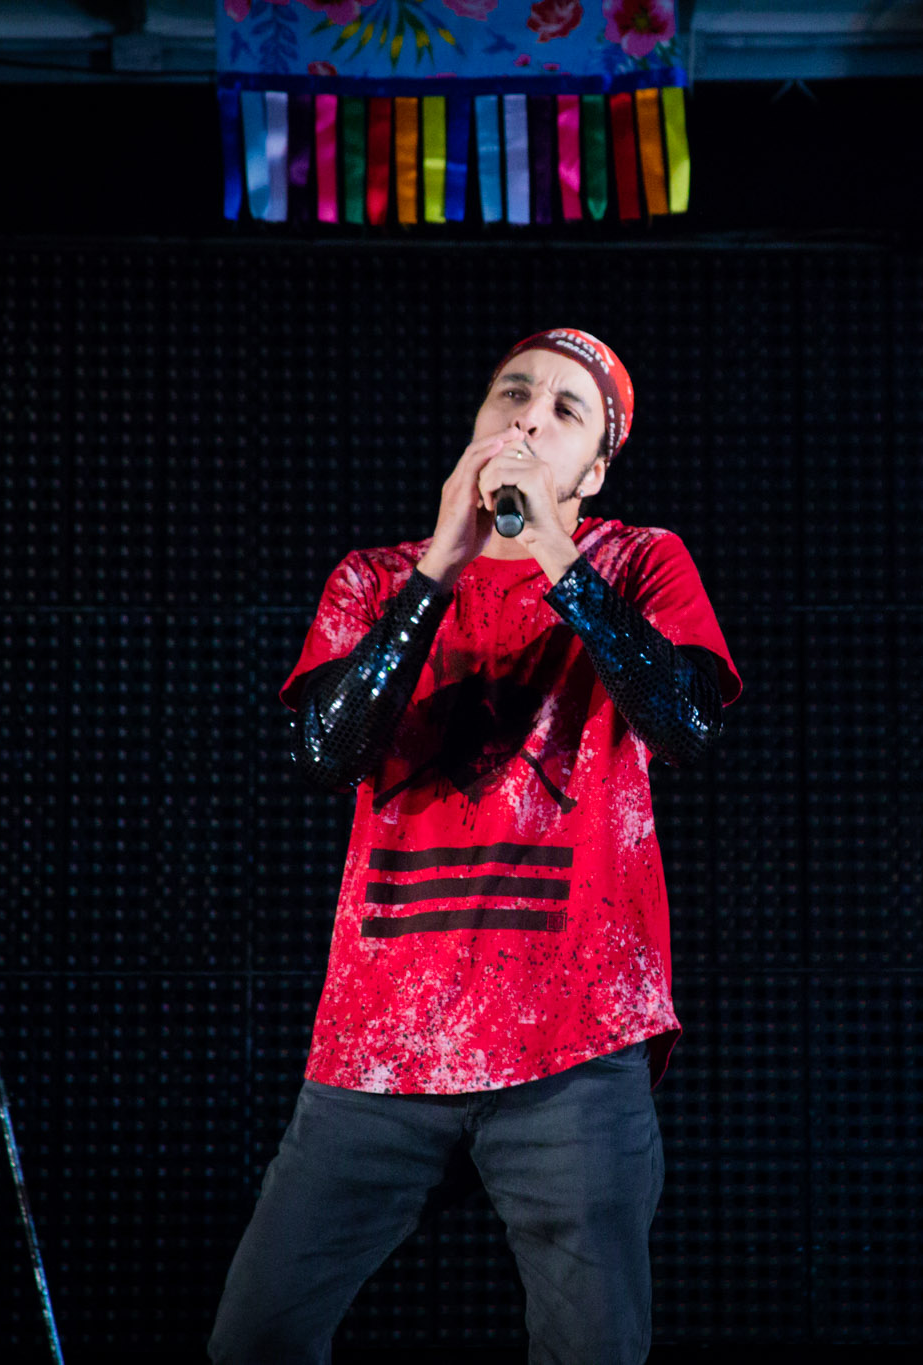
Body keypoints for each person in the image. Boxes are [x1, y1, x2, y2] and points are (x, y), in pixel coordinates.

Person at [208, 328, 742, 1365]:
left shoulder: (638, 561)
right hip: (381, 1042)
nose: (527, 418)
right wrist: (438, 572)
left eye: (564, 410)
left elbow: (684, 725)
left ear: (594, 471)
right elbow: (324, 752)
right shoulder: (375, 578)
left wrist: (555, 557)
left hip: (573, 1040)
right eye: (512, 394)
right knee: (257, 1335)